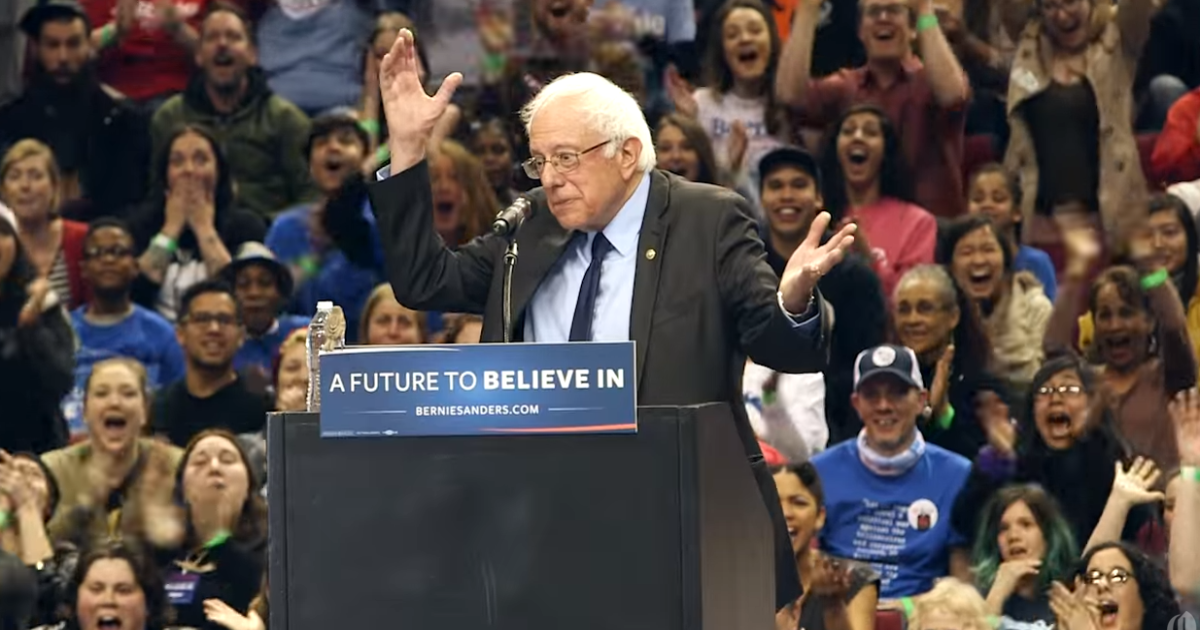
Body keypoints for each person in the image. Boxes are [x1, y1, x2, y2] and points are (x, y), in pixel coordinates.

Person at [369, 28, 857, 612]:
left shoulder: (706, 220)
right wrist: (406, 148)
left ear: (627, 153)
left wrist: (796, 296)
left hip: (678, 520)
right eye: (541, 160)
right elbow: (426, 282)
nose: (548, 177)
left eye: (566, 158)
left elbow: (783, 345)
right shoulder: (530, 229)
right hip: (542, 528)